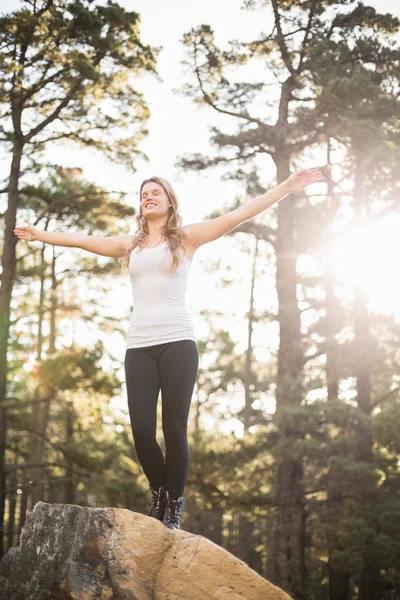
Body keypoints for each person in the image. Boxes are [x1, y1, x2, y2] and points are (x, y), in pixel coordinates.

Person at [13, 168, 322, 530]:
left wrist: (286, 187)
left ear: (170, 201)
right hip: (139, 346)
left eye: (155, 192)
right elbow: (83, 239)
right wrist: (39, 235)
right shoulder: (130, 245)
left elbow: (239, 214)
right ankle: (159, 490)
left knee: (174, 427)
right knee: (142, 430)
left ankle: (173, 504)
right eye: (144, 193)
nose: (148, 196)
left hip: (178, 342)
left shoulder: (186, 239)